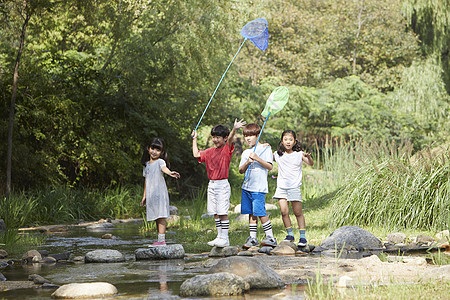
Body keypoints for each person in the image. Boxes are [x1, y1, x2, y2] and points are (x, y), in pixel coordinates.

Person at [191, 119, 246, 247]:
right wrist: (194, 139)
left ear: (225, 138)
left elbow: (231, 138)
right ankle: (219, 236)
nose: (215, 140)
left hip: (222, 184)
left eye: (218, 138)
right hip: (212, 184)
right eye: (214, 137)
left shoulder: (226, 149)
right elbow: (196, 154)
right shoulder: (209, 151)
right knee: (215, 212)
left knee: (222, 212)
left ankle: (225, 238)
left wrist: (234, 129)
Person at [239, 123, 277, 249]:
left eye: (251, 135)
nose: (248, 138)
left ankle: (270, 237)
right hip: (247, 187)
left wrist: (257, 158)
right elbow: (240, 170)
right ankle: (253, 238)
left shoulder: (265, 149)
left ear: (257, 135)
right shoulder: (246, 152)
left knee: (260, 212)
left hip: (259, 188)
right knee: (251, 213)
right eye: (246, 136)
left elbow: (270, 166)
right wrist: (247, 162)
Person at [273, 130, 313, 247]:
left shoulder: (299, 154)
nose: (288, 142)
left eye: (290, 140)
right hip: (281, 187)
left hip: (294, 187)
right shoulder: (277, 154)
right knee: (284, 212)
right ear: (282, 141)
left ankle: (302, 237)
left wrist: (308, 158)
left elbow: (311, 164)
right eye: (286, 139)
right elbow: (266, 157)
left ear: (295, 141)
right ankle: (290, 234)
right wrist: (264, 146)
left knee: (297, 212)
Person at [141, 137, 180, 247]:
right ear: (148, 149)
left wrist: (170, 173)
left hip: (159, 193)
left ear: (161, 152)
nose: (154, 152)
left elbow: (164, 169)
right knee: (156, 216)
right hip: (151, 194)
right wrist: (144, 196)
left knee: (161, 216)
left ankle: (162, 241)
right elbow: (146, 181)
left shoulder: (160, 162)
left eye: (158, 150)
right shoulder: (146, 165)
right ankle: (159, 239)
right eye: (153, 148)